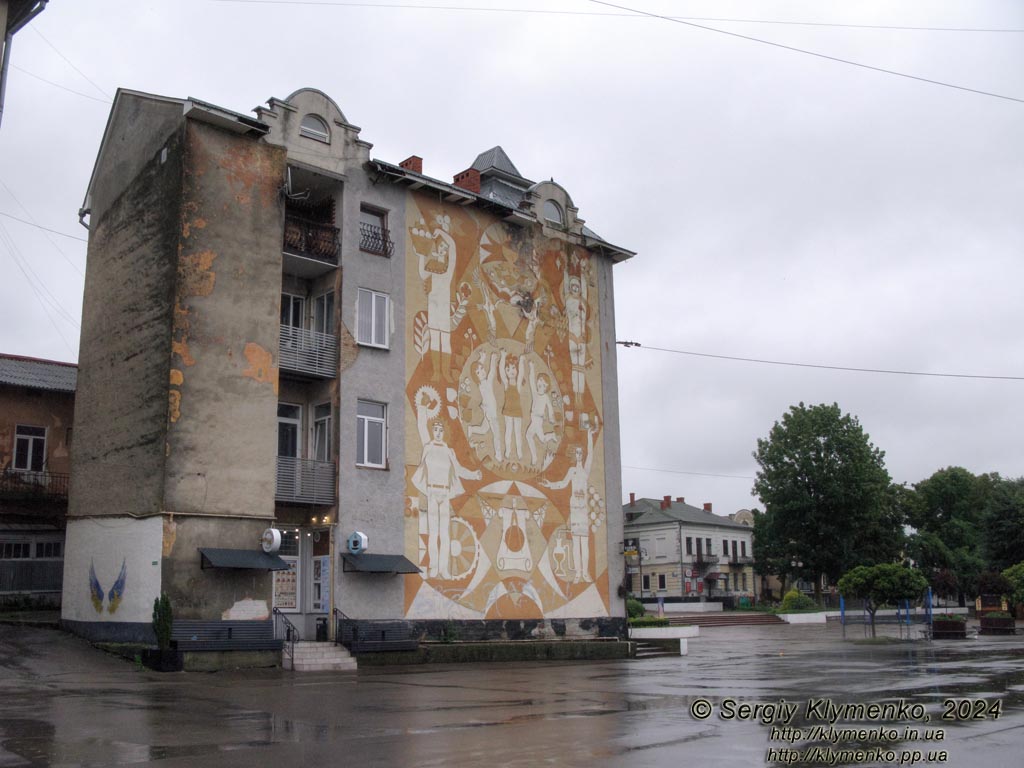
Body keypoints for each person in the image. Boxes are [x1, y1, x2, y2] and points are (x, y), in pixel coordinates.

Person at [412, 417, 481, 580]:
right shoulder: (427, 448)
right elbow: (421, 469)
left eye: (441, 430)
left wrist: (474, 475)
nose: (438, 433)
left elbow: (459, 469)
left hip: (445, 493)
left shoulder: (449, 450)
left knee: (445, 534)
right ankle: (434, 568)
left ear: (444, 433)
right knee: (433, 533)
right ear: (432, 431)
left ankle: (444, 569)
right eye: (435, 429)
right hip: (431, 493)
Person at [540, 423, 595, 583]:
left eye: (581, 453)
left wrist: (590, 436)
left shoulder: (585, 471)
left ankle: (585, 573)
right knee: (575, 541)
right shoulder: (572, 471)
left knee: (584, 542)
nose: (579, 455)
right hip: (574, 509)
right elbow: (562, 484)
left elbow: (591, 453)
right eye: (577, 452)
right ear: (574, 454)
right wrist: (549, 484)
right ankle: (578, 573)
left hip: (583, 510)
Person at [414, 215, 457, 381]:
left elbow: (453, 247)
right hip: (433, 307)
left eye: (444, 250)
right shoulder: (431, 269)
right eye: (439, 249)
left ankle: (445, 372)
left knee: (445, 339)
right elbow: (422, 273)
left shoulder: (447, 271)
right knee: (434, 339)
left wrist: (441, 232)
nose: (442, 252)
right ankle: (437, 372)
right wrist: (421, 255)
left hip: (443, 308)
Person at [525, 359, 557, 466]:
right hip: (534, 418)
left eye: (544, 384)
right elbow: (531, 381)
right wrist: (532, 367)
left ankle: (551, 435)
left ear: (546, 387)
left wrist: (551, 417)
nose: (541, 384)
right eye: (540, 381)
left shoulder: (545, 397)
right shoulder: (535, 393)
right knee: (529, 436)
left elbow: (550, 408)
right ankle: (534, 457)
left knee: (539, 439)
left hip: (538, 420)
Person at [499, 350, 525, 462]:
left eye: (514, 368)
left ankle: (519, 451)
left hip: (517, 411)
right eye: (508, 369)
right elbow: (501, 372)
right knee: (508, 430)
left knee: (518, 432)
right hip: (508, 410)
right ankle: (508, 450)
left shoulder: (518, 385)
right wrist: (503, 356)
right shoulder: (506, 384)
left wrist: (522, 362)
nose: (511, 371)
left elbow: (521, 375)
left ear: (517, 370)